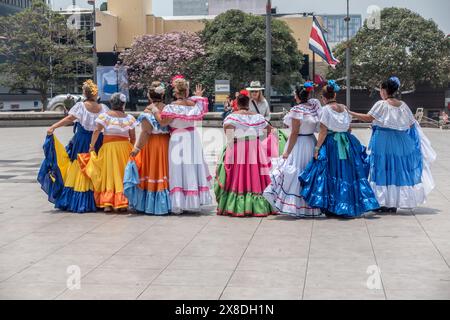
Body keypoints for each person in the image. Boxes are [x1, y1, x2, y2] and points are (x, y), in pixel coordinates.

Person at [348, 77, 436, 212]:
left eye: (380, 90)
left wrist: (349, 112)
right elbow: (412, 124)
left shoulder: (381, 104)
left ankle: (382, 202)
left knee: (381, 169)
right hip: (400, 142)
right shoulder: (403, 105)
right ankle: (393, 203)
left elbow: (368, 117)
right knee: (396, 170)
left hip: (382, 140)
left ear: (384, 90)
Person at [299, 80, 380, 218]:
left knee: (332, 174)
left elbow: (323, 131)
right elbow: (348, 128)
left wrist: (317, 148)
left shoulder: (325, 110)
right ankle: (349, 204)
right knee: (348, 173)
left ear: (323, 98)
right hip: (347, 142)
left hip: (332, 143)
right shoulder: (344, 108)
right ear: (335, 94)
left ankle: (334, 206)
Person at [38, 80, 109, 213]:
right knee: (96, 165)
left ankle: (81, 198)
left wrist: (54, 126)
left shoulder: (81, 106)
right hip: (98, 139)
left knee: (80, 164)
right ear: (95, 94)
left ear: (84, 93)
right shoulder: (103, 108)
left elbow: (69, 119)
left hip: (82, 139)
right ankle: (100, 197)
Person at [150, 78, 212, 214]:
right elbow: (200, 104)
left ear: (175, 91)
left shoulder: (172, 107)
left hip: (178, 138)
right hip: (192, 137)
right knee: (192, 167)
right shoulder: (194, 105)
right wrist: (198, 96)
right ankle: (194, 200)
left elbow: (163, 122)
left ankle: (179, 202)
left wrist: (155, 110)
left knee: (178, 169)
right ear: (186, 90)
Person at [263, 82, 322, 217]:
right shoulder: (313, 107)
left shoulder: (297, 110)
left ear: (297, 96)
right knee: (308, 173)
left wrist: (287, 151)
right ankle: (309, 206)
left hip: (299, 143)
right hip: (311, 141)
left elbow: (294, 133)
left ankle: (296, 206)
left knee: (295, 172)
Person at [214, 93, 275, 217]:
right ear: (248, 104)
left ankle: (238, 206)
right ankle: (258, 205)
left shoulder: (232, 117)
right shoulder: (257, 117)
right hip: (255, 147)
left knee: (239, 176)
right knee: (254, 176)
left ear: (236, 103)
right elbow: (270, 130)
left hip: (239, 147)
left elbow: (229, 137)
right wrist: (258, 137)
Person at [83, 93, 137, 212]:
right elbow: (133, 137)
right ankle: (123, 201)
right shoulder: (129, 118)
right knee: (123, 174)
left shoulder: (105, 116)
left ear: (111, 103)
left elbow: (97, 131)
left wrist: (92, 146)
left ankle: (108, 203)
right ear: (123, 104)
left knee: (109, 174)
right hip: (125, 148)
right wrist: (132, 148)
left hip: (109, 148)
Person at [123, 82, 171, 215]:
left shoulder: (148, 111)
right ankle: (166, 203)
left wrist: (137, 147)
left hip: (152, 145)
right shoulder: (168, 108)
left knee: (152, 171)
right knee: (164, 171)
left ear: (149, 96)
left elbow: (146, 132)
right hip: (166, 143)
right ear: (162, 95)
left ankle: (150, 204)